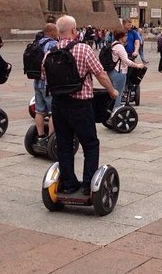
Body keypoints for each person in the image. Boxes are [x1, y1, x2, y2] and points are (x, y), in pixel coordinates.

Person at [41, 15, 118, 195]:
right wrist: (112, 91)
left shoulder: (49, 53)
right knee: (90, 144)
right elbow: (100, 74)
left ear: (59, 32)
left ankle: (68, 184)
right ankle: (87, 186)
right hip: (80, 105)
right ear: (75, 31)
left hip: (59, 105)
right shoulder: (84, 49)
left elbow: (45, 78)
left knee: (65, 144)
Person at [33, 23, 58, 145]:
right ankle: (51, 138)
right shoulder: (52, 44)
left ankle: (40, 135)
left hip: (37, 81)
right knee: (53, 111)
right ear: (53, 32)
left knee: (39, 111)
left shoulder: (37, 43)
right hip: (47, 83)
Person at [108, 26, 145, 110]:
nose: (127, 37)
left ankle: (111, 110)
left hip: (112, 71)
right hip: (119, 72)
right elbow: (126, 61)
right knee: (118, 94)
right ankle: (115, 111)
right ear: (121, 37)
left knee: (113, 93)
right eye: (125, 36)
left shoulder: (113, 44)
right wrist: (137, 65)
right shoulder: (120, 47)